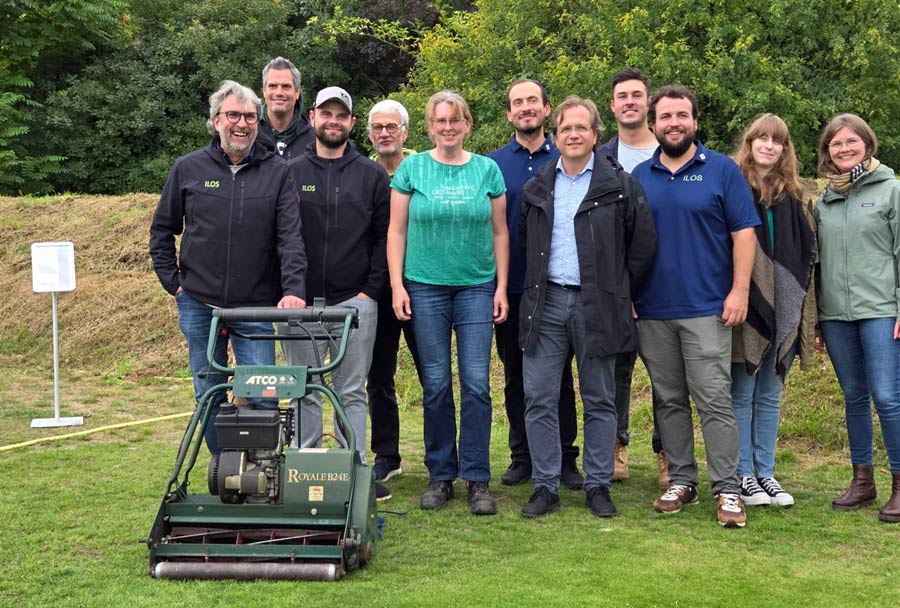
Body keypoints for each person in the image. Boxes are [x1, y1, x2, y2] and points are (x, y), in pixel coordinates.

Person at [149, 80, 307, 455]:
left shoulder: (278, 172)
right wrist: (174, 283)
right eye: (233, 114)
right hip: (199, 304)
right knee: (209, 394)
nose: (242, 123)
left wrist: (293, 289)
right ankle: (227, 472)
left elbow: (290, 238)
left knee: (265, 395)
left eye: (250, 116)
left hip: (254, 306)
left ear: (258, 121)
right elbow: (162, 230)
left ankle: (263, 472)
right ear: (216, 120)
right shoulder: (187, 168)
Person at [519, 97, 656, 518]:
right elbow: (527, 245)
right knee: (539, 396)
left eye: (581, 128)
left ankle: (598, 485)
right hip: (546, 302)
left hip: (598, 303)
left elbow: (642, 244)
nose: (573, 135)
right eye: (565, 129)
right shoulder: (539, 185)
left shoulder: (619, 184)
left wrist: (620, 289)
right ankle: (546, 485)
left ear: (596, 135)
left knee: (599, 398)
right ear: (555, 135)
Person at [632, 85, 759, 528]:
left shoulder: (721, 170)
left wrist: (739, 291)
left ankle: (727, 488)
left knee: (714, 400)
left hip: (708, 307)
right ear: (654, 124)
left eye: (681, 115)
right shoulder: (640, 177)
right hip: (652, 310)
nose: (673, 123)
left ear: (695, 122)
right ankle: (682, 480)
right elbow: (629, 244)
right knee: (668, 400)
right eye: (665, 117)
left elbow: (744, 233)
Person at [387, 90, 509, 515]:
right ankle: (441, 476)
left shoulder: (487, 170)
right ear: (430, 126)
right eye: (440, 121)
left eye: (455, 120)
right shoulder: (411, 169)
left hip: (477, 287)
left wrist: (500, 287)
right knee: (436, 384)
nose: (448, 127)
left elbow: (500, 233)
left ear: (468, 124)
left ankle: (477, 478)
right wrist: (397, 286)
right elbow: (396, 232)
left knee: (476, 383)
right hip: (424, 287)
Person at [281, 86, 390, 496]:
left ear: (350, 123)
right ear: (312, 118)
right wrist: (288, 289)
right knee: (304, 389)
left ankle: (356, 471)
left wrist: (370, 291)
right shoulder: (288, 170)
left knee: (350, 390)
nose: (333, 121)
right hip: (299, 302)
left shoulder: (371, 174)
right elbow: (280, 235)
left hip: (354, 301)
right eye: (325, 113)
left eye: (340, 115)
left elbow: (384, 238)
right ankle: (305, 470)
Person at [487, 78, 583, 491]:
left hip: (556, 287)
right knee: (516, 376)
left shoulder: (565, 158)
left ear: (548, 109)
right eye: (517, 103)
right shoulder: (492, 164)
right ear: (509, 113)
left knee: (560, 377)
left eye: (532, 101)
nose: (525, 108)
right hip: (510, 289)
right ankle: (522, 456)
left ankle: (565, 459)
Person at [815, 113, 900, 523]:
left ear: (867, 144)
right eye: (836, 144)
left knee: (887, 397)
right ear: (827, 151)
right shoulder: (824, 200)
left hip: (882, 310)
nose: (844, 149)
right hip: (835, 315)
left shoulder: (890, 190)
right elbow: (818, 263)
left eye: (851, 141)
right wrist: (815, 318)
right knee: (854, 397)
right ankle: (862, 482)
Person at [730, 114, 817, 508]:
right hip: (745, 305)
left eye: (776, 141)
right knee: (742, 391)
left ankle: (765, 473)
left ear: (785, 149)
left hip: (785, 305)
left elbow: (808, 256)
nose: (767, 146)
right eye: (760, 139)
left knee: (769, 394)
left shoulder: (797, 196)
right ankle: (742, 472)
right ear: (749, 143)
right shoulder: (732, 187)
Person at [598, 67, 666, 485]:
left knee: (666, 378)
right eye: (622, 96)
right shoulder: (601, 158)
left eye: (637, 95)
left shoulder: (676, 150)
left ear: (648, 103)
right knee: (616, 374)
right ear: (612, 105)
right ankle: (616, 448)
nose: (629, 102)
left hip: (666, 285)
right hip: (617, 286)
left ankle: (667, 453)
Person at [365, 99, 423, 484]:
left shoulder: (426, 167)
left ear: (405, 131)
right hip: (376, 288)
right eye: (378, 127)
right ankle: (387, 454)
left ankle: (441, 455)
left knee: (432, 375)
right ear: (369, 133)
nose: (385, 133)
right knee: (377, 375)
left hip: (422, 284)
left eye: (392, 126)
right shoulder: (362, 173)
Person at [257, 57, 314, 159]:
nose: (279, 93)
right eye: (273, 86)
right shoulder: (251, 134)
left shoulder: (314, 140)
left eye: (286, 86)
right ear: (264, 91)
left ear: (297, 92)